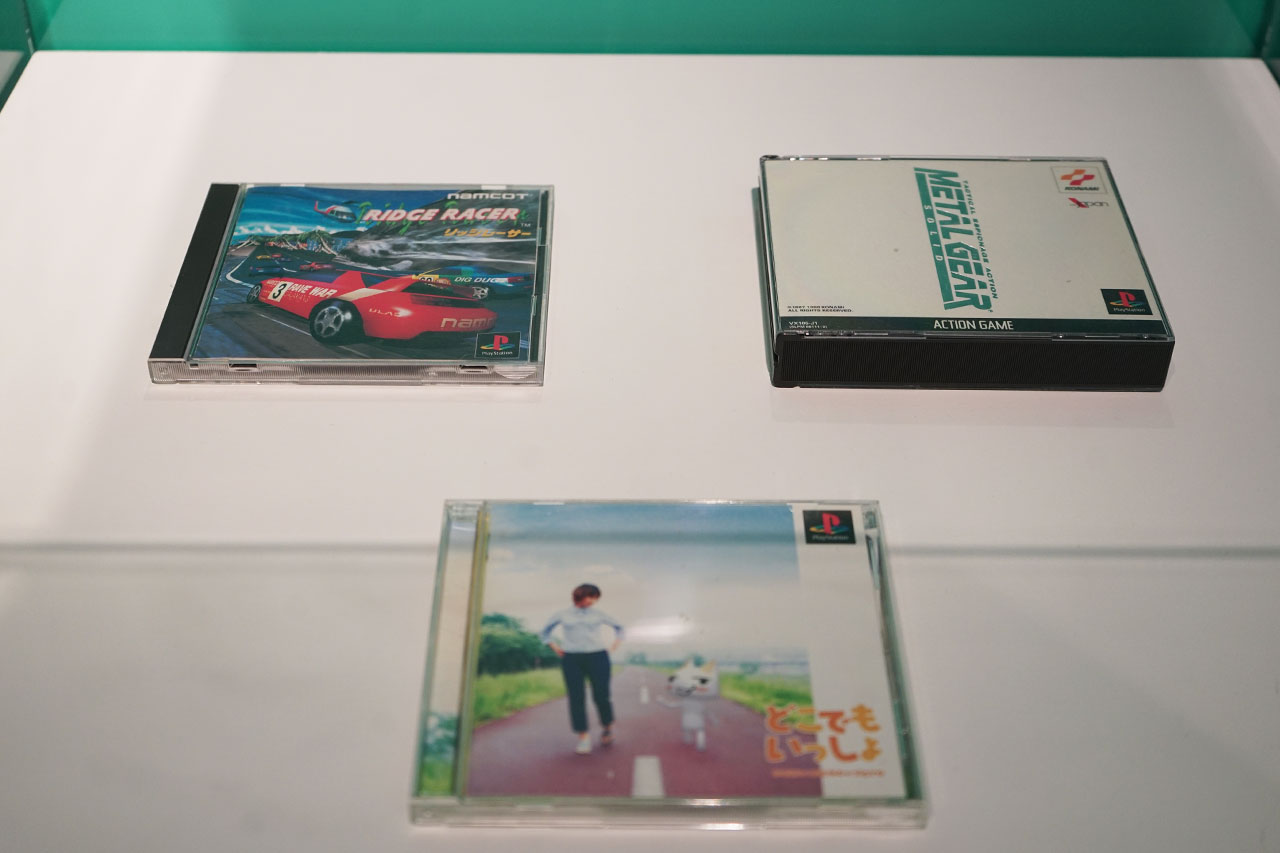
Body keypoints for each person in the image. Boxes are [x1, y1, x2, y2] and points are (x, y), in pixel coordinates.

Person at [540, 583, 624, 754]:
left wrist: (614, 646)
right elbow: (544, 632)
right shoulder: (562, 614)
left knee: (601, 695)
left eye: (595, 598)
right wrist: (554, 647)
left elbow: (619, 628)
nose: (593, 601)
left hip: (597, 656)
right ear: (580, 596)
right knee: (576, 698)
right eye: (591, 597)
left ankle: (607, 727)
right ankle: (583, 738)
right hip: (572, 658)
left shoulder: (599, 614)